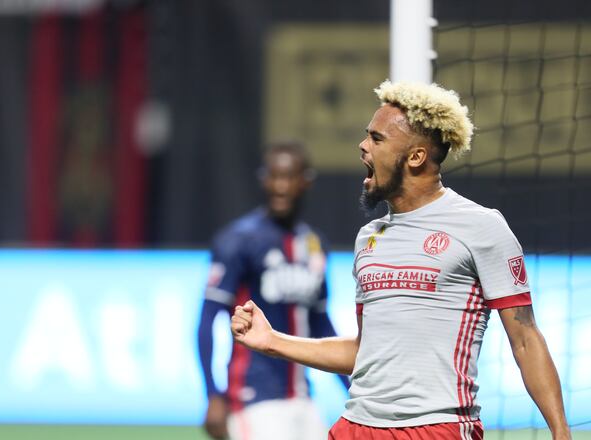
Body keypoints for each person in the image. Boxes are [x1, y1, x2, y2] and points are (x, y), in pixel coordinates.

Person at [230, 82, 571, 440]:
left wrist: (560, 432)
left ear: (415, 157)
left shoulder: (481, 227)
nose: (363, 146)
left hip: (436, 428)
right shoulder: (370, 238)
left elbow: (525, 340)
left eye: (377, 139)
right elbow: (365, 351)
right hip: (356, 427)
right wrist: (271, 341)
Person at [198, 141, 346, 440]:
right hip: (253, 396)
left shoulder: (314, 244)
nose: (280, 186)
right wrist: (213, 395)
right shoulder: (239, 239)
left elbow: (318, 321)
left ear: (305, 181)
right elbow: (206, 321)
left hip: (302, 395)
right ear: (264, 179)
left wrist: (352, 385)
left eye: (289, 177)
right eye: (274, 176)